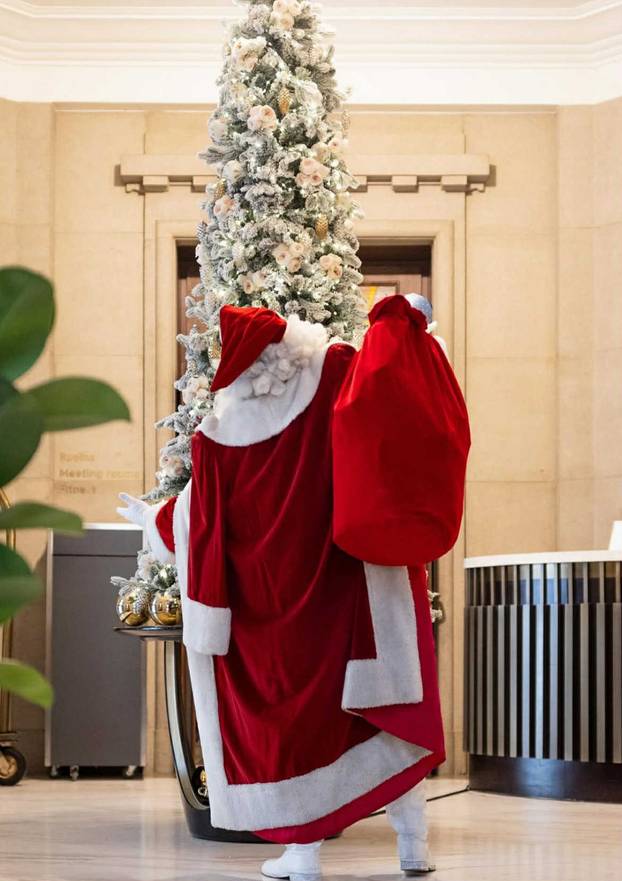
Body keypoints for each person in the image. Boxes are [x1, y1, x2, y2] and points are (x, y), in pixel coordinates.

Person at [118, 294, 468, 880]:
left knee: (297, 736)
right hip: (352, 604)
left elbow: (199, 524)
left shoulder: (219, 438)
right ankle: (414, 846)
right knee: (379, 722)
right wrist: (403, 321)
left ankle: (303, 858)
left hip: (271, 620)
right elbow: (389, 391)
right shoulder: (335, 374)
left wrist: (152, 521)